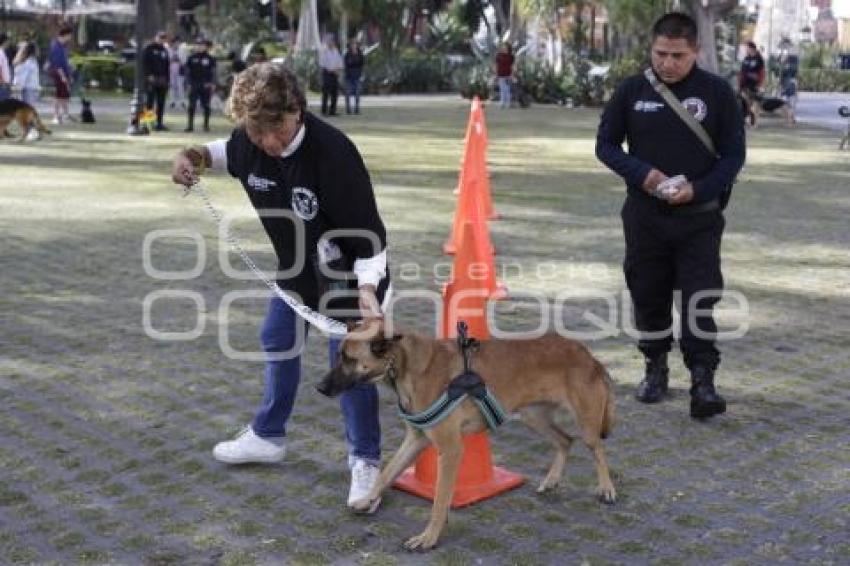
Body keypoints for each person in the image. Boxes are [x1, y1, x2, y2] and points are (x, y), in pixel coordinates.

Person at [170, 63, 390, 507]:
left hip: (350, 276)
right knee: (276, 337)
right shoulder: (247, 143)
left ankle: (366, 461)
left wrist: (367, 295)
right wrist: (188, 158)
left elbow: (372, 239)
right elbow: (214, 152)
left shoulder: (334, 154)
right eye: (257, 133)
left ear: (298, 112)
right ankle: (268, 437)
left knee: (348, 365)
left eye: (279, 129)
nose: (270, 142)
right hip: (294, 272)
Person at [595, 12, 745, 419]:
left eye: (678, 55)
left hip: (700, 217)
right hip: (645, 216)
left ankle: (703, 380)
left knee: (699, 298)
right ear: (652, 49)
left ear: (695, 50)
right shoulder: (632, 90)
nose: (668, 63)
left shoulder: (716, 93)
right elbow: (605, 146)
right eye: (661, 53)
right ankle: (655, 367)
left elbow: (734, 156)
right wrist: (643, 175)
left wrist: (699, 188)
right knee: (649, 293)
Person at [184, 39, 216, 132]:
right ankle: (190, 125)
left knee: (206, 105)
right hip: (194, 84)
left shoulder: (210, 58)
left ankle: (206, 125)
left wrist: (212, 83)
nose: (200, 47)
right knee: (192, 105)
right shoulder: (191, 57)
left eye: (202, 45)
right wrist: (188, 83)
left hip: (206, 84)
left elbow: (213, 72)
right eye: (198, 45)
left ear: (205, 46)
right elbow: (187, 72)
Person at [143, 31, 171, 131]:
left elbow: (167, 66)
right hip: (152, 78)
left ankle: (159, 123)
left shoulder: (164, 50)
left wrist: (168, 79)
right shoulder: (149, 49)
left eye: (163, 38)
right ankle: (147, 122)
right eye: (160, 38)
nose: (161, 40)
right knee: (149, 102)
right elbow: (145, 63)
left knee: (161, 102)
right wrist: (148, 75)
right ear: (155, 37)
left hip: (162, 79)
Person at [48, 26, 74, 124]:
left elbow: (65, 62)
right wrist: (62, 76)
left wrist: (69, 74)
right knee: (58, 96)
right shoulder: (56, 46)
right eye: (70, 35)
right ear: (65, 35)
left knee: (65, 95)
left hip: (65, 73)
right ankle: (56, 115)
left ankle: (65, 114)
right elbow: (57, 63)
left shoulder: (64, 46)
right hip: (58, 74)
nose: (70, 38)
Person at [319, 36, 343, 116]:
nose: (331, 43)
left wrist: (338, 69)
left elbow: (340, 62)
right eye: (330, 41)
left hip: (335, 74)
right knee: (326, 93)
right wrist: (332, 70)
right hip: (327, 74)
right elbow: (323, 64)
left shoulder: (336, 51)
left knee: (334, 93)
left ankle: (332, 111)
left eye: (332, 41)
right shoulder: (324, 51)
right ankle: (324, 110)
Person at [343, 39, 364, 115]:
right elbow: (347, 63)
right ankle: (348, 109)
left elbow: (361, 63)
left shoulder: (360, 54)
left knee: (357, 93)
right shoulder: (347, 54)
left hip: (357, 76)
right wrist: (354, 62)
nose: (354, 46)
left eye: (355, 44)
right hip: (349, 76)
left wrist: (354, 62)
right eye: (352, 44)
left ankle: (356, 109)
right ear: (350, 46)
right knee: (348, 93)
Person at [168, 36, 186, 110]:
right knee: (172, 86)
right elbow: (168, 60)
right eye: (175, 43)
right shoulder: (169, 50)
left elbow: (184, 61)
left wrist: (178, 59)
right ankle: (172, 101)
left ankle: (182, 101)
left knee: (180, 86)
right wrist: (172, 59)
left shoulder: (182, 51)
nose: (176, 44)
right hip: (171, 71)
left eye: (178, 43)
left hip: (179, 70)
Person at [494, 42, 515, 109]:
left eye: (505, 47)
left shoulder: (511, 56)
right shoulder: (498, 55)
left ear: (508, 47)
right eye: (503, 46)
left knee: (507, 89)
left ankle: (508, 103)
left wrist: (512, 74)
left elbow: (513, 66)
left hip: (508, 74)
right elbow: (496, 65)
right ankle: (502, 103)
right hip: (500, 74)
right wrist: (496, 74)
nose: (504, 48)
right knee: (502, 89)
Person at [0, 33, 11, 101]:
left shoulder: (2, 52)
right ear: (5, 41)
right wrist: (2, 81)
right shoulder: (0, 53)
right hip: (2, 84)